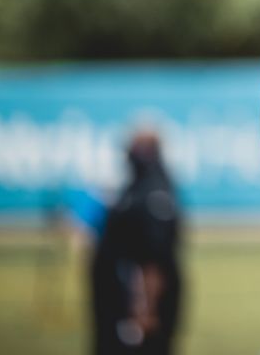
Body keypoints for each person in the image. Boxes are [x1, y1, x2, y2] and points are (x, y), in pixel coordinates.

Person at [90, 131, 183, 355]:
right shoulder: (136, 188)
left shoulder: (154, 195)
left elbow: (154, 261)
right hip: (115, 300)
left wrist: (145, 310)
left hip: (135, 305)